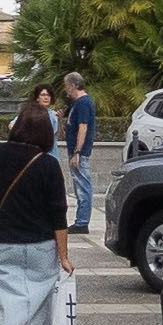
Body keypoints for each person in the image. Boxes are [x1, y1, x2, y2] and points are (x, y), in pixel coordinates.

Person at [0, 103, 72, 325]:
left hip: (5, 242)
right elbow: (59, 213)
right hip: (41, 245)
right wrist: (64, 255)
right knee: (41, 305)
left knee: (8, 305)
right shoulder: (48, 164)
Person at [60, 69, 98, 233]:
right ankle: (81, 220)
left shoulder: (83, 103)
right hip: (74, 150)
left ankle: (82, 222)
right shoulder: (75, 104)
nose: (66, 89)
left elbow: (83, 128)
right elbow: (69, 129)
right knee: (79, 185)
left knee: (83, 186)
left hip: (79, 152)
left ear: (74, 85)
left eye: (67, 86)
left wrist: (77, 152)